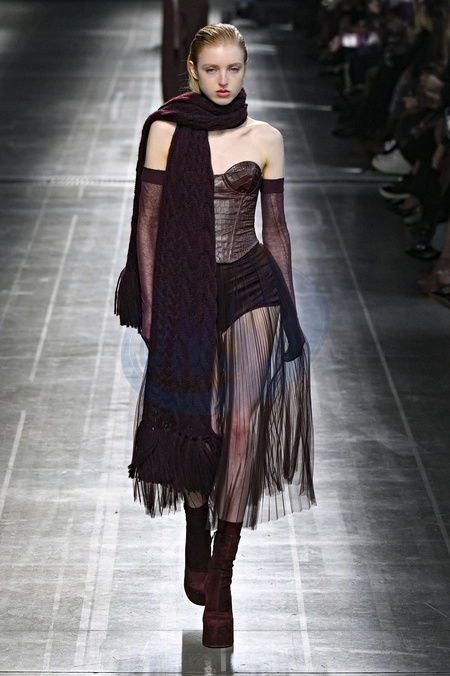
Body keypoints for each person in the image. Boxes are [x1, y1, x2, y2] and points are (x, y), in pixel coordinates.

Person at [115, 23, 315, 649]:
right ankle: (195, 520)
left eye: (234, 68)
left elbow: (275, 228)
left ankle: (222, 575)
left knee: (242, 428)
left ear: (245, 69)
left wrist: (289, 307)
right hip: (186, 292)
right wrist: (152, 308)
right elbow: (147, 223)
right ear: (193, 73)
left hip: (252, 287)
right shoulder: (167, 131)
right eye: (212, 69)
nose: (224, 80)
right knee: (199, 423)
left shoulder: (266, 138)